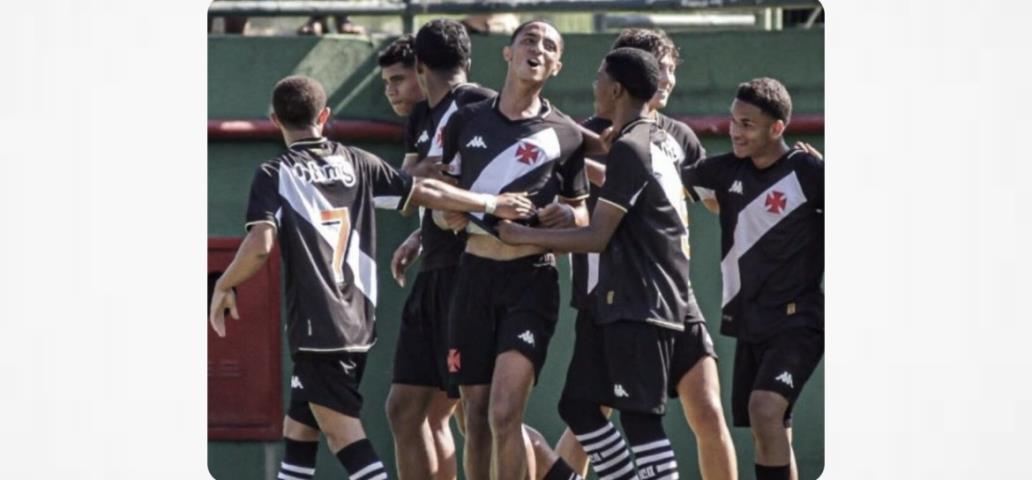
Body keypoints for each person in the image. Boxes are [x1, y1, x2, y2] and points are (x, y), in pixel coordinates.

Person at [208, 75, 534, 480]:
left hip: (318, 328)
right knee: (300, 432)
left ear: (274, 120)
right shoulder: (358, 162)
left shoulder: (275, 172)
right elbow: (427, 191)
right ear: (324, 116)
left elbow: (260, 243)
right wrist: (489, 202)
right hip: (357, 326)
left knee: (344, 438)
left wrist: (224, 284)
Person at [498, 47, 695, 480]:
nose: (594, 87)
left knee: (641, 419)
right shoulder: (654, 140)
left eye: (599, 79)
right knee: (578, 406)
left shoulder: (631, 146)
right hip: (622, 301)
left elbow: (596, 235)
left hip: (641, 302)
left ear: (616, 89)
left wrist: (525, 235)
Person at [555, 29, 738, 480]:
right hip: (608, 294)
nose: (667, 79)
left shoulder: (675, 136)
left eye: (672, 69)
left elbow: (709, 195)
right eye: (659, 68)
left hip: (671, 291)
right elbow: (577, 202)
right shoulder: (593, 131)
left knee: (708, 409)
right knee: (588, 415)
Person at [438, 19, 591, 480]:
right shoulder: (467, 120)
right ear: (507, 52)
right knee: (476, 415)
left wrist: (567, 217)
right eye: (528, 40)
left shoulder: (567, 134)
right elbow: (443, 202)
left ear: (558, 66)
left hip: (530, 281)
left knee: (505, 413)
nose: (537, 49)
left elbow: (581, 215)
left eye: (549, 46)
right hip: (473, 276)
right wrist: (456, 213)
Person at [679, 77, 824, 480]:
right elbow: (655, 180)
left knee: (765, 409)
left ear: (777, 128)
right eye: (733, 121)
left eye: (747, 124)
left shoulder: (808, 170)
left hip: (800, 320)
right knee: (773, 429)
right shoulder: (725, 172)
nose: (735, 132)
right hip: (751, 322)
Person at [383, 20, 496, 480]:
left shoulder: (479, 103)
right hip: (434, 268)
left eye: (398, 77)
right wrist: (418, 233)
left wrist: (451, 196)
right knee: (406, 408)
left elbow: (512, 168)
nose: (393, 88)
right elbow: (406, 188)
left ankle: (549, 469)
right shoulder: (422, 116)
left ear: (420, 66)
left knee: (483, 417)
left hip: (470, 272)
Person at [378, 34, 425, 119]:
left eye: (397, 80)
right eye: (386, 83)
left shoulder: (453, 119)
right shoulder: (418, 124)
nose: (390, 92)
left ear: (425, 73)